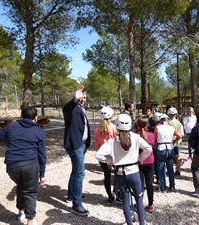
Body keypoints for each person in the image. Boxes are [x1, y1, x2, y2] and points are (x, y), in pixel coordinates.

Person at [96, 114, 152, 225]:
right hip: (134, 171)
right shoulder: (136, 137)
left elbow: (99, 154)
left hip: (121, 173)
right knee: (139, 199)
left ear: (117, 125)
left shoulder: (112, 141)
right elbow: (148, 148)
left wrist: (110, 161)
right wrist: (141, 158)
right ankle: (142, 223)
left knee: (125, 201)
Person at [0, 106, 46, 225]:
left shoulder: (11, 126)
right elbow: (42, 155)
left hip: (12, 166)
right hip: (30, 165)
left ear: (21, 117)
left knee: (22, 185)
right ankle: (30, 220)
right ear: (36, 118)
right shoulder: (39, 131)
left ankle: (21, 211)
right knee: (30, 191)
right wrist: (42, 174)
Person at [63, 85, 90, 216]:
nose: (83, 99)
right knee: (80, 174)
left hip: (81, 144)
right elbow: (66, 109)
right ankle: (76, 205)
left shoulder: (81, 108)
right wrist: (74, 99)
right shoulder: (72, 109)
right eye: (81, 97)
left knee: (76, 172)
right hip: (75, 145)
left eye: (84, 97)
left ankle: (72, 195)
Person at [94, 106, 117, 204]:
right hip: (114, 155)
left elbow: (97, 146)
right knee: (117, 174)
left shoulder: (96, 130)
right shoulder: (114, 128)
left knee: (106, 176)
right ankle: (116, 192)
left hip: (103, 157)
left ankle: (110, 196)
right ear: (111, 117)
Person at [155, 114, 181, 192]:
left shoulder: (157, 128)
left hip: (161, 148)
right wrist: (173, 142)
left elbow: (155, 139)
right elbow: (179, 135)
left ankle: (163, 188)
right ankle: (172, 185)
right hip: (170, 147)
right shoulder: (171, 128)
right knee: (170, 168)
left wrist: (157, 143)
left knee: (161, 168)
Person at [135, 116, 155, 212]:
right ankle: (151, 204)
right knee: (149, 183)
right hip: (150, 161)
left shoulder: (135, 135)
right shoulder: (151, 135)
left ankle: (139, 203)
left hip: (139, 161)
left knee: (140, 184)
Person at [167, 107, 184, 176]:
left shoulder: (169, 123)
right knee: (177, 156)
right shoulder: (179, 123)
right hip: (177, 142)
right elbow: (182, 134)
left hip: (170, 142)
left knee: (170, 158)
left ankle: (170, 171)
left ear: (170, 115)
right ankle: (178, 170)